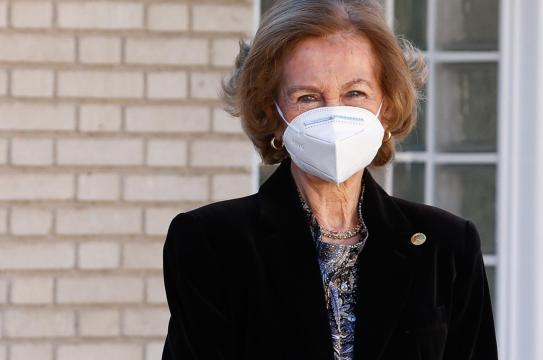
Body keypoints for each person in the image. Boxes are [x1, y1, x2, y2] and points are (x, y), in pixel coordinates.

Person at [161, 0, 498, 359]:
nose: (334, 114)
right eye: (307, 97)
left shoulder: (445, 246)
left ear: (387, 104)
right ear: (271, 113)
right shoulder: (212, 243)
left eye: (355, 93)